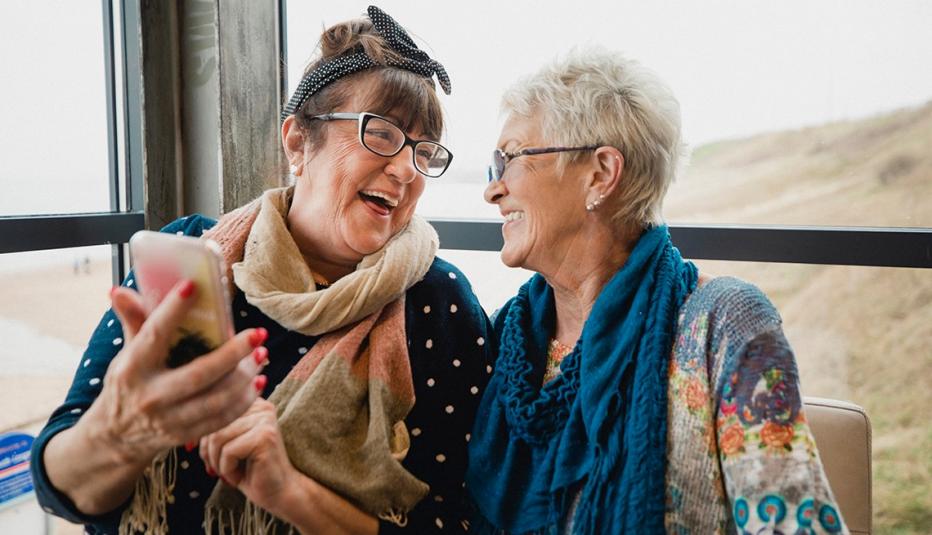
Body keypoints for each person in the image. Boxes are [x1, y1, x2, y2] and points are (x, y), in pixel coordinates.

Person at [32, 6, 493, 534]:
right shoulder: (193, 253)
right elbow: (60, 488)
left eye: (424, 152)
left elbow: (456, 521)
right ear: (298, 142)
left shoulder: (437, 303)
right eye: (382, 134)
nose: (407, 169)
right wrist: (124, 430)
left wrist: (290, 492)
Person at [465, 49, 848, 534]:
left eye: (511, 159)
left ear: (601, 174)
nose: (492, 189)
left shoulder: (723, 325)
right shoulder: (504, 337)